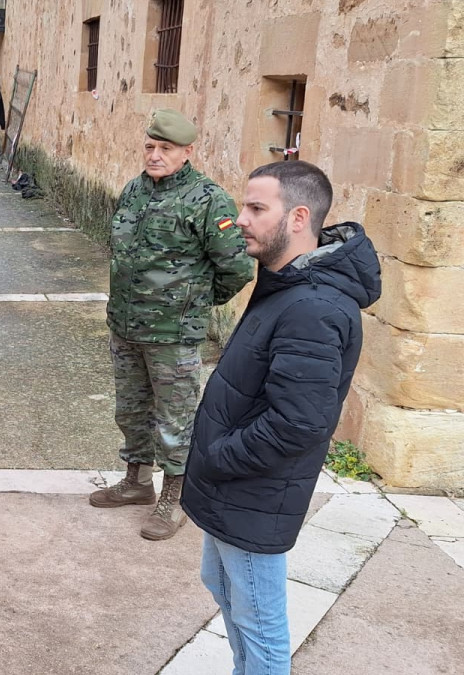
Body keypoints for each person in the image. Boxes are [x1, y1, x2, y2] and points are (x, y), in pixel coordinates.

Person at [183, 161, 381, 674]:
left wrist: (219, 454)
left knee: (262, 627)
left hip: (253, 491)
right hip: (236, 487)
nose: (239, 219)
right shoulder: (287, 284)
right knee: (222, 586)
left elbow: (299, 422)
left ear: (297, 218)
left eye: (255, 208)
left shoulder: (313, 307)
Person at [88, 108, 255, 541]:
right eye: (150, 146)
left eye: (165, 148)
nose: (155, 155)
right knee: (131, 410)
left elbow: (236, 268)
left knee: (174, 419)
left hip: (172, 335)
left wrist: (193, 305)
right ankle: (137, 482)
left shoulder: (207, 199)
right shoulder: (134, 191)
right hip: (125, 326)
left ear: (187, 152)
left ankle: (175, 498)